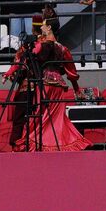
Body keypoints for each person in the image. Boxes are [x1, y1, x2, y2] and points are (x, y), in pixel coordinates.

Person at [8, 21, 88, 152]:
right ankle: (55, 145)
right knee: (56, 119)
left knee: (40, 118)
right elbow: (72, 72)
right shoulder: (62, 48)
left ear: (49, 27)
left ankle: (36, 145)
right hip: (58, 86)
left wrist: (11, 72)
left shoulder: (37, 45)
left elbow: (22, 61)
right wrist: (77, 89)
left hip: (43, 84)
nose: (41, 27)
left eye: (43, 24)